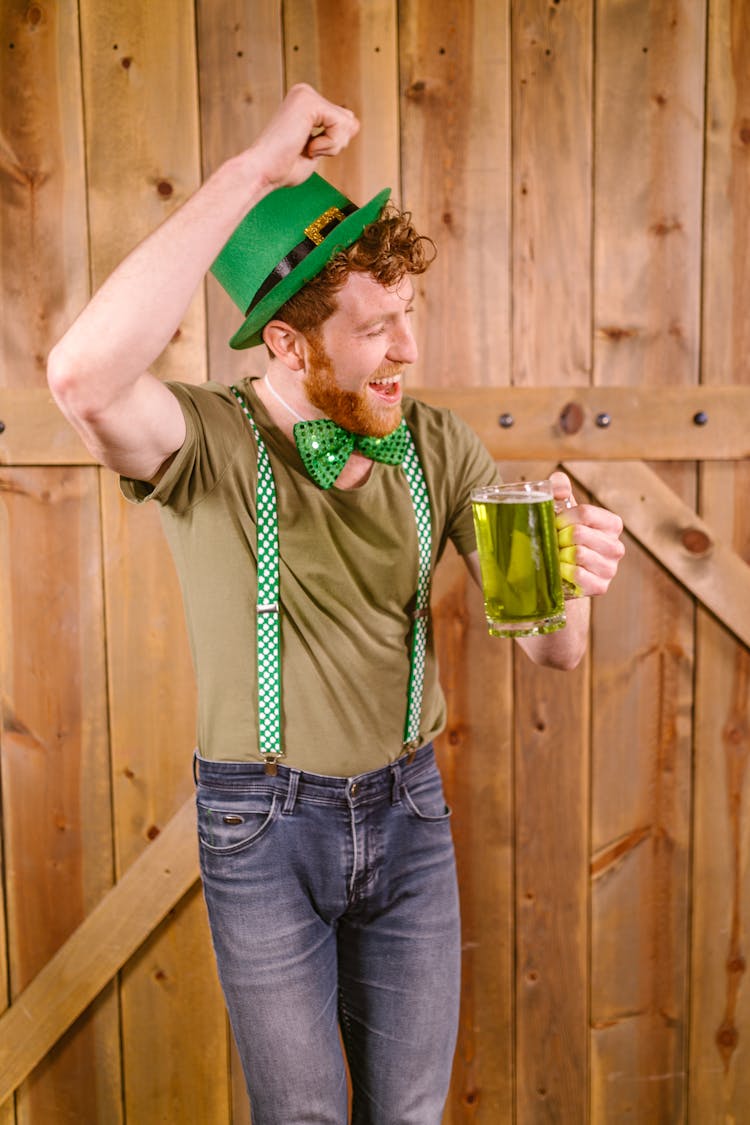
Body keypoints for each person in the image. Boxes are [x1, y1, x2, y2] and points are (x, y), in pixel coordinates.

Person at [48, 83, 624, 1125]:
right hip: (259, 825)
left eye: (410, 316)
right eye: (375, 329)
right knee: (304, 1118)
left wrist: (573, 578)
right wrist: (257, 171)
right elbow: (83, 377)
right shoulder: (207, 442)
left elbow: (555, 653)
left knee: (407, 1115)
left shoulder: (438, 445)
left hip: (409, 814)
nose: (408, 350)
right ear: (285, 343)